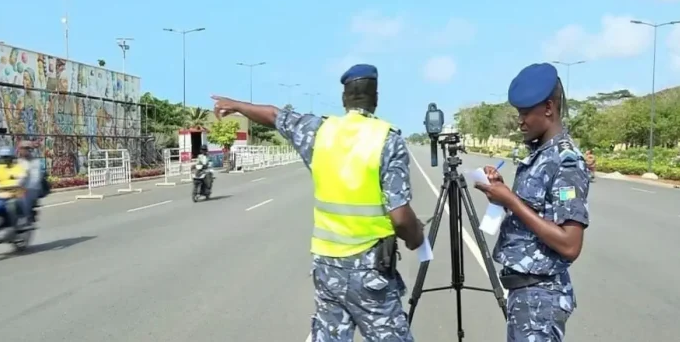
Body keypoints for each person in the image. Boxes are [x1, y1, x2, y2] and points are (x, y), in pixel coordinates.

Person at [212, 64, 424, 341]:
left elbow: (274, 115)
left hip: (327, 268)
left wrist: (237, 105)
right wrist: (416, 236)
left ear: (344, 99)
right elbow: (400, 216)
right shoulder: (387, 139)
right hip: (370, 270)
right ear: (375, 97)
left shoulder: (319, 131)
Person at [473, 63, 590, 342]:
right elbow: (536, 212)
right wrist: (501, 192)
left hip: (542, 298)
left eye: (526, 113)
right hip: (527, 295)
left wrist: (511, 200)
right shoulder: (541, 155)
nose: (520, 121)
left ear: (549, 108)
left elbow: (570, 244)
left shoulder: (566, 162)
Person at [0, 146, 28, 230]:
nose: (5, 160)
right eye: (3, 157)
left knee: (11, 205)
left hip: (14, 193)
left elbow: (23, 178)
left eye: (7, 157)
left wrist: (18, 182)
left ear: (12, 158)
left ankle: (15, 227)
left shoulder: (17, 168)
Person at [17, 141, 45, 223]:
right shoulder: (18, 161)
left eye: (26, 149)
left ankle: (27, 218)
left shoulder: (35, 162)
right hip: (18, 187)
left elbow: (35, 179)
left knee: (22, 198)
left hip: (31, 189)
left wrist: (23, 186)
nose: (23, 151)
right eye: (22, 148)